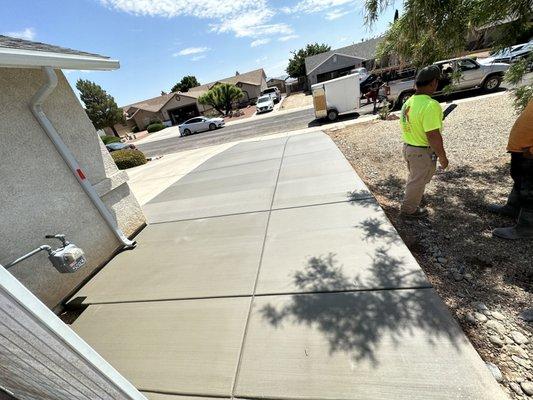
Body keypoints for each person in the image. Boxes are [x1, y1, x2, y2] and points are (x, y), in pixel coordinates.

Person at [399, 65, 449, 217]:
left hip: (409, 148)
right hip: (421, 151)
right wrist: (443, 157)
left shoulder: (408, 102)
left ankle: (416, 198)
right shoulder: (430, 105)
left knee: (416, 178)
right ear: (434, 83)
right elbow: (433, 135)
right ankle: (409, 210)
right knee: (418, 180)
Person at [490, 99, 533, 240]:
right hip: (521, 150)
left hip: (529, 152)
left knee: (530, 191)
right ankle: (513, 208)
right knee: (519, 180)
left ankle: (526, 227)